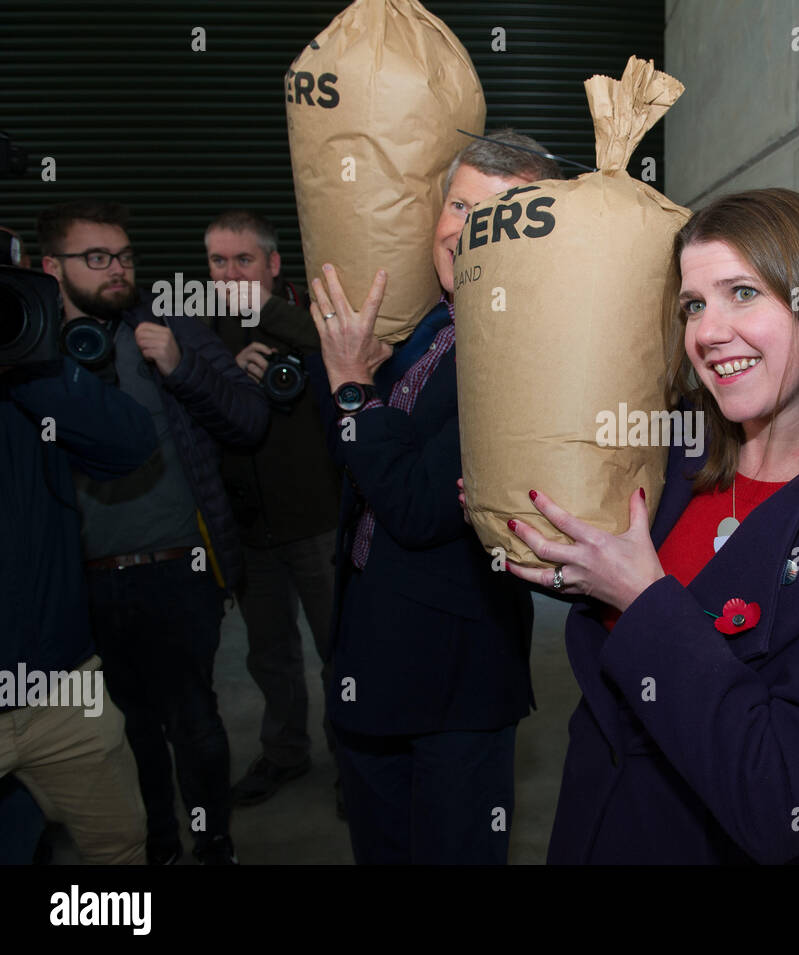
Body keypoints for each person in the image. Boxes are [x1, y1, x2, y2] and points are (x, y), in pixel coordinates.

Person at [503, 188, 799, 864]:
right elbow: (608, 589)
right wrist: (529, 532)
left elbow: (781, 793)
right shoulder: (678, 443)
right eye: (693, 305)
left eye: (742, 293)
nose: (706, 331)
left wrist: (643, 599)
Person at [309, 130, 558, 863]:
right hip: (369, 654)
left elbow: (418, 507)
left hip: (455, 680)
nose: (469, 228)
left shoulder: (529, 350)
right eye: (460, 204)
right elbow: (353, 461)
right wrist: (350, 384)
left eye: (497, 214)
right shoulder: (423, 327)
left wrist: (354, 388)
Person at [37, 199, 270, 864]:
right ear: (51, 268)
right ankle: (158, 849)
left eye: (125, 255)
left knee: (194, 722)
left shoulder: (168, 325)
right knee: (124, 732)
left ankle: (213, 844)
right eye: (97, 257)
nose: (118, 269)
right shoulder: (32, 348)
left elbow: (248, 421)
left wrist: (183, 368)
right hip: (83, 582)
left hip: (180, 567)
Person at [2, 301, 159, 863]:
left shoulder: (24, 379)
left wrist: (28, 357)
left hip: (64, 687)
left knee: (119, 849)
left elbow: (130, 444)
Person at [203, 210, 342, 811]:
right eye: (217, 261)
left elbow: (335, 344)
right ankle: (284, 751)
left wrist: (257, 310)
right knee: (269, 653)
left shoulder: (309, 316)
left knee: (340, 650)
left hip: (316, 520)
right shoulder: (202, 330)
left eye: (243, 260)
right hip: (249, 527)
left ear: (272, 264)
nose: (229, 274)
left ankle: (353, 758)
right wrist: (228, 382)